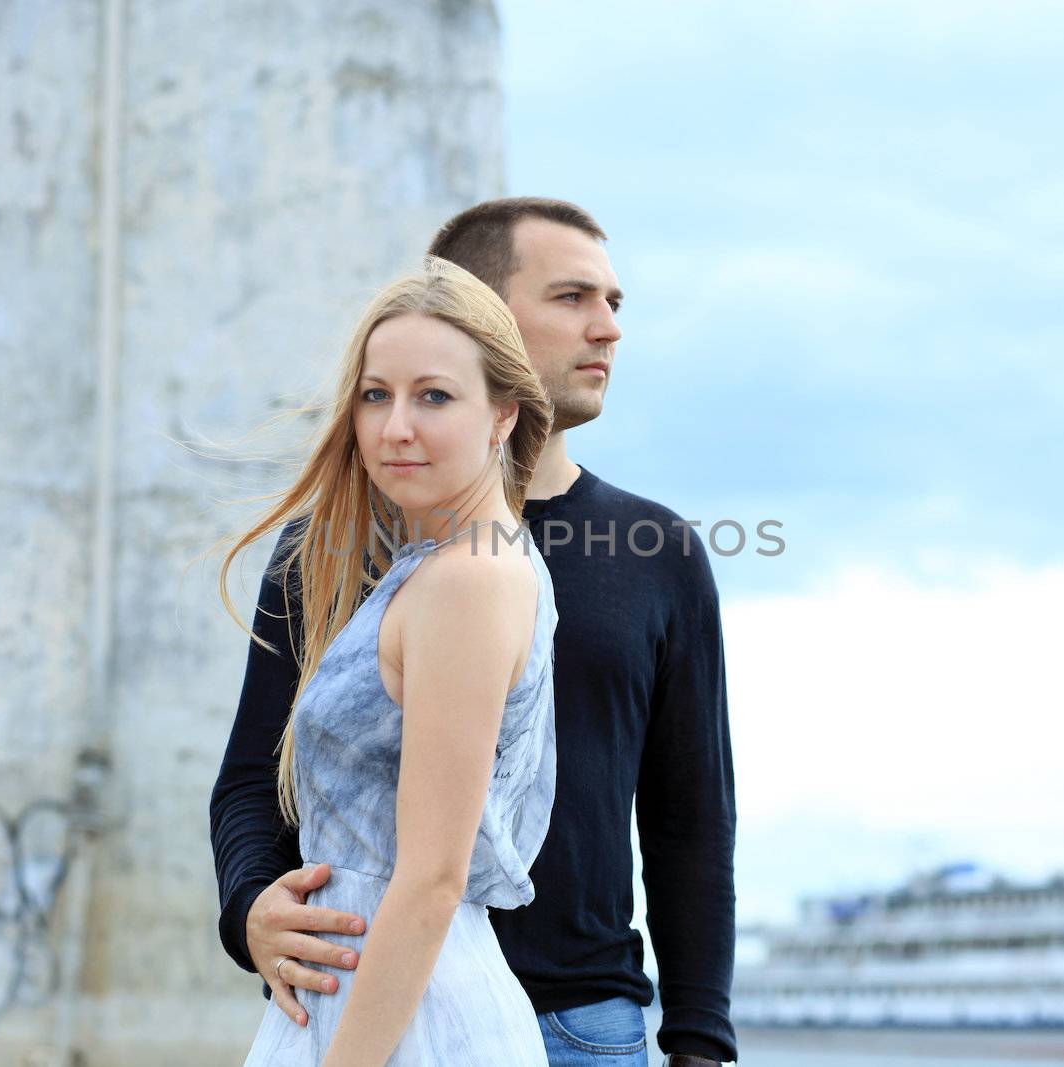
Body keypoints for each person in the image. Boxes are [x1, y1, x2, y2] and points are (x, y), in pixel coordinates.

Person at [212, 198, 738, 1065]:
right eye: (573, 298)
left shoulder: (655, 551)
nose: (607, 329)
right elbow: (251, 779)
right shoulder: (328, 548)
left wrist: (699, 1043)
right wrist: (250, 909)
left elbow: (689, 822)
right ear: (478, 307)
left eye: (615, 303)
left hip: (582, 1020)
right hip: (368, 999)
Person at [216, 256, 559, 1063]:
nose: (394, 426)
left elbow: (433, 880)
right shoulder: (445, 564)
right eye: (376, 395)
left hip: (409, 1016)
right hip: (370, 997)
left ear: (503, 413)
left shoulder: (470, 577)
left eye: (433, 395)